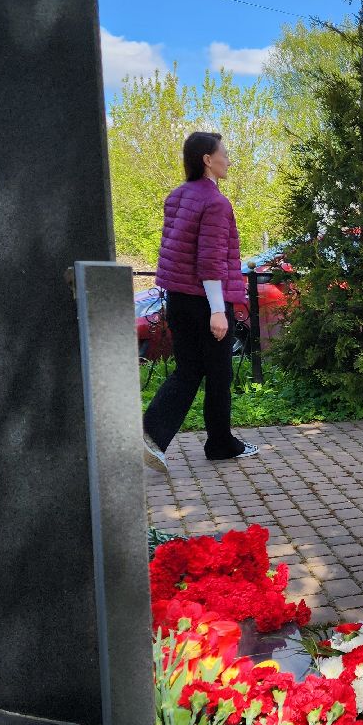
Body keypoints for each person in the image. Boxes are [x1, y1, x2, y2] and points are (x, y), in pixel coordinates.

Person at [142, 132, 258, 472]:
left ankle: (153, 434)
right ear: (208, 159)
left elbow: (178, 253)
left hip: (178, 298)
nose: (229, 160)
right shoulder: (216, 203)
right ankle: (219, 444)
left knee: (190, 370)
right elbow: (210, 261)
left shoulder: (177, 196)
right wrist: (218, 310)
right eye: (224, 154)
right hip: (206, 301)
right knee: (219, 374)